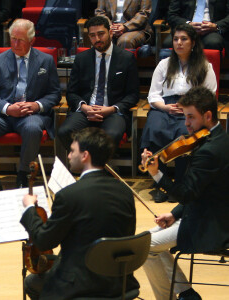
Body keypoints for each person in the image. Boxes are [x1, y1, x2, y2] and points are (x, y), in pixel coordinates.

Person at [21, 127, 138, 300]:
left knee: (32, 283)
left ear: (85, 156)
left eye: (73, 151)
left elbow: (44, 240)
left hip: (81, 285)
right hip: (119, 282)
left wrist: (30, 209)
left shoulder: (69, 195)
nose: (68, 156)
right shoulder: (125, 191)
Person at [141, 86, 229, 300]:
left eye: (191, 117)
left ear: (208, 116)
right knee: (144, 240)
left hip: (209, 225)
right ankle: (186, 295)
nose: (186, 123)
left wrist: (157, 174)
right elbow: (201, 191)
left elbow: (187, 194)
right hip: (206, 212)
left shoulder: (209, 151)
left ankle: (177, 296)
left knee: (143, 248)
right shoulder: (220, 139)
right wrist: (174, 214)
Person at [0, 19, 61, 193]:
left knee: (32, 129)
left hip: (31, 114)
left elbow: (55, 94)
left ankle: (23, 176)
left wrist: (37, 105)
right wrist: (8, 108)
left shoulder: (45, 61)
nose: (15, 44)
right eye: (12, 39)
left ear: (32, 40)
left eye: (20, 40)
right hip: (2, 113)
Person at [140, 23, 217, 202]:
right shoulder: (163, 64)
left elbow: (209, 95)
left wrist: (190, 109)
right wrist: (165, 107)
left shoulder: (205, 66)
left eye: (184, 39)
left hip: (192, 108)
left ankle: (181, 184)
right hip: (165, 106)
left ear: (193, 43)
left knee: (184, 135)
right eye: (176, 39)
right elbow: (153, 95)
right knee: (155, 128)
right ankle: (160, 183)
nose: (179, 43)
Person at [58, 16, 139, 151]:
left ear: (110, 33)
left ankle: (96, 168)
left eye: (101, 34)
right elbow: (71, 93)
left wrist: (112, 109)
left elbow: (133, 94)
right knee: (65, 131)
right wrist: (84, 107)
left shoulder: (126, 58)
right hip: (86, 111)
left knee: (112, 134)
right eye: (92, 35)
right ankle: (87, 165)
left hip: (112, 111)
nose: (97, 39)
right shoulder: (81, 59)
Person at [163, 0, 229, 51]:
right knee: (169, 43)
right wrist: (188, 24)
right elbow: (171, 15)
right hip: (185, 28)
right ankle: (177, 69)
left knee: (213, 43)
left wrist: (216, 26)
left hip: (211, 30)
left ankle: (208, 69)